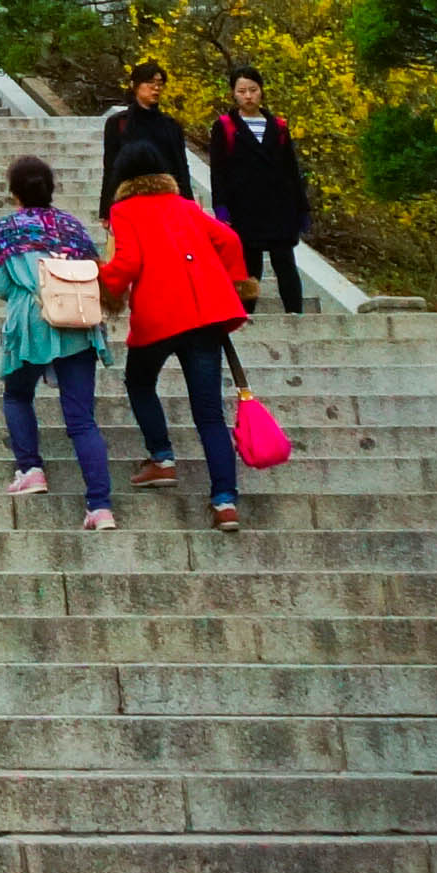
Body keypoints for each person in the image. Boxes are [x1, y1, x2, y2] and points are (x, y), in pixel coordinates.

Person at [99, 138, 256, 532]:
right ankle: (225, 503)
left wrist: (100, 278)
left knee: (139, 382)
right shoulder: (186, 206)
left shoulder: (124, 210)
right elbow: (230, 239)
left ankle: (162, 458)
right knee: (209, 414)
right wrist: (236, 282)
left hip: (160, 315)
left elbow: (129, 261)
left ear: (123, 176)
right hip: (205, 315)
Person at [0, 154, 117, 530]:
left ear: (15, 192)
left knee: (17, 394)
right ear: (51, 189)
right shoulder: (73, 227)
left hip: (33, 322)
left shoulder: (7, 228)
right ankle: (100, 506)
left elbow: (0, 286)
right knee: (82, 421)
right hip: (78, 322)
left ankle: (30, 468)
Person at [205, 65, 313, 314]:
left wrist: (302, 208)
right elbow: (218, 172)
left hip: (279, 206)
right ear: (233, 94)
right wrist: (221, 208)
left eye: (253, 90)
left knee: (284, 261)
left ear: (261, 91)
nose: (248, 96)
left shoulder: (279, 126)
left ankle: (295, 313)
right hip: (244, 208)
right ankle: (244, 315)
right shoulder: (225, 127)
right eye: (242, 91)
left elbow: (291, 170)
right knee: (249, 266)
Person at [97, 59, 195, 218]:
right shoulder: (118, 123)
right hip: (130, 202)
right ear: (134, 85)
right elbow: (110, 168)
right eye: (149, 83)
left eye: (159, 83)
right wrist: (106, 210)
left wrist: (189, 206)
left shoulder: (171, 125)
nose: (155, 88)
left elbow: (181, 168)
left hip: (167, 204)